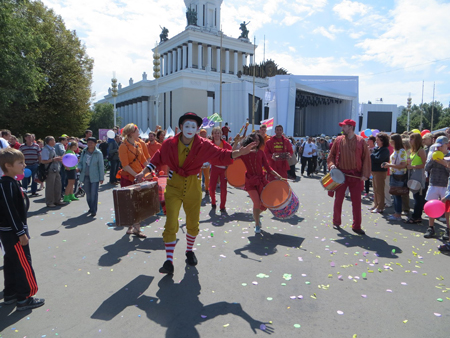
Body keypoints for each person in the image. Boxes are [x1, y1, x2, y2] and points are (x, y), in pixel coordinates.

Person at [135, 112, 256, 274]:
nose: (190, 129)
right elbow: (157, 159)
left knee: (193, 223)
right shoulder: (170, 143)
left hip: (193, 186)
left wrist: (240, 152)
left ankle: (189, 251)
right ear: (181, 128)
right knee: (170, 223)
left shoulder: (203, 145)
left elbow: (221, 155)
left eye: (193, 126)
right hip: (173, 187)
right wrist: (143, 173)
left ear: (198, 129)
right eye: (187, 126)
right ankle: (169, 261)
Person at [0, 148, 45, 311]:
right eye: (20, 163)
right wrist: (21, 233)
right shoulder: (6, 184)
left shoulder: (11, 182)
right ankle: (24, 298)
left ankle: (11, 293)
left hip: (11, 232)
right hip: (12, 233)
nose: (24, 165)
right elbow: (9, 210)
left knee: (11, 263)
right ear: (8, 165)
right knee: (23, 263)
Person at [327, 119, 371, 235]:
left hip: (356, 176)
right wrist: (331, 165)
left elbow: (366, 158)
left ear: (350, 127)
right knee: (338, 200)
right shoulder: (338, 140)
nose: (342, 129)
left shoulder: (361, 141)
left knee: (356, 202)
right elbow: (331, 156)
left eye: (344, 127)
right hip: (341, 175)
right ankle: (336, 222)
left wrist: (365, 174)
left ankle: (357, 226)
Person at [240, 132, 283, 233]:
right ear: (250, 140)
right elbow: (232, 153)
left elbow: (268, 168)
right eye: (255, 139)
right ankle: (257, 224)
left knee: (265, 205)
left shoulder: (260, 153)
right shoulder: (244, 153)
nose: (257, 142)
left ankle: (256, 216)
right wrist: (237, 141)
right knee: (256, 202)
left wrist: (279, 176)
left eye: (259, 140)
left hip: (261, 180)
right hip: (250, 181)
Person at [118, 124, 149, 237]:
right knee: (129, 204)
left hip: (138, 177)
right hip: (128, 178)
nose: (139, 134)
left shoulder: (138, 145)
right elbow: (125, 166)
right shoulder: (123, 146)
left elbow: (144, 161)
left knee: (138, 204)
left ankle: (136, 228)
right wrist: (137, 175)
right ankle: (132, 226)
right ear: (131, 133)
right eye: (137, 132)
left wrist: (152, 169)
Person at [423, 136, 450, 238]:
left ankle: (448, 229)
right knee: (431, 206)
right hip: (433, 183)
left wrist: (443, 162)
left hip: (446, 186)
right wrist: (432, 160)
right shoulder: (434, 156)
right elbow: (427, 168)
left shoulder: (449, 155)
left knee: (447, 209)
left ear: (446, 145)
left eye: (440, 146)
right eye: (437, 147)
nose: (438, 149)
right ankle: (431, 228)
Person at [77, 137, 104, 217]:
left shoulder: (98, 153)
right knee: (88, 194)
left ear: (95, 144)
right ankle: (91, 207)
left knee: (94, 194)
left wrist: (101, 177)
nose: (90, 144)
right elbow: (81, 162)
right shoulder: (84, 152)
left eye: (92, 142)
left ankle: (94, 210)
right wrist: (79, 168)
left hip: (95, 177)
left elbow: (101, 166)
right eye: (88, 142)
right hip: (85, 176)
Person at [404, 133, 427, 224]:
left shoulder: (421, 150)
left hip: (419, 175)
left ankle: (417, 216)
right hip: (413, 175)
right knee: (415, 195)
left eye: (411, 139)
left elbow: (424, 164)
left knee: (418, 197)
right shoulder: (412, 150)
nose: (410, 141)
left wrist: (412, 166)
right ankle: (416, 215)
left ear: (416, 140)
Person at [384, 134, 407, 221]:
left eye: (391, 140)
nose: (390, 142)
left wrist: (389, 165)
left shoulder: (401, 151)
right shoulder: (397, 151)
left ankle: (398, 214)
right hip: (394, 174)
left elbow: (403, 165)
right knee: (395, 194)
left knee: (397, 194)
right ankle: (397, 213)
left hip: (398, 175)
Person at [208, 127, 232, 211]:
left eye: (218, 133)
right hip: (214, 168)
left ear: (221, 134)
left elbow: (231, 154)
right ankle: (213, 202)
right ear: (212, 134)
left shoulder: (226, 145)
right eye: (215, 133)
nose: (217, 134)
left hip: (224, 169)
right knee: (211, 187)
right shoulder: (210, 144)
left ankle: (222, 206)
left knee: (223, 188)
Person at [40, 136, 65, 208]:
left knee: (58, 185)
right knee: (50, 186)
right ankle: (49, 202)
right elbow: (43, 161)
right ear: (49, 141)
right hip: (50, 170)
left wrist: (59, 159)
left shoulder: (53, 148)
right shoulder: (45, 149)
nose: (55, 142)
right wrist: (54, 159)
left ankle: (57, 200)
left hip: (56, 169)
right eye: (53, 140)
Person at [369, 133, 390, 214]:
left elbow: (379, 159)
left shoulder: (385, 150)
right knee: (375, 189)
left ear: (382, 141)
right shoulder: (377, 148)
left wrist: (371, 155)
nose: (376, 141)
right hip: (374, 171)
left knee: (380, 190)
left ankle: (380, 207)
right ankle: (376, 204)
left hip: (380, 172)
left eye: (378, 140)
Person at [199, 129, 211, 196]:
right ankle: (198, 189)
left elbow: (211, 151)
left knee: (207, 177)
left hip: (206, 162)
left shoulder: (208, 141)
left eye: (204, 133)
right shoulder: (197, 141)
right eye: (202, 133)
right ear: (200, 134)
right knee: (198, 178)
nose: (203, 135)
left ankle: (207, 189)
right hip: (199, 163)